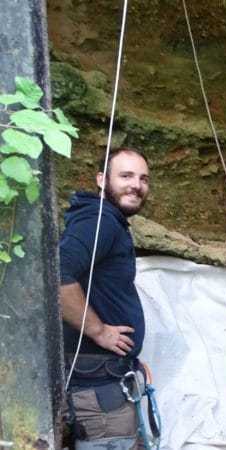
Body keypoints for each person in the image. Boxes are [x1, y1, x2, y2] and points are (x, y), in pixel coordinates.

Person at [59, 148, 150, 449]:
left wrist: (129, 360)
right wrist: (99, 331)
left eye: (143, 179)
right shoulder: (100, 220)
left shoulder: (106, 220)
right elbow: (59, 274)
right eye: (126, 176)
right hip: (99, 395)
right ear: (101, 179)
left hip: (105, 379)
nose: (136, 185)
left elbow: (99, 290)